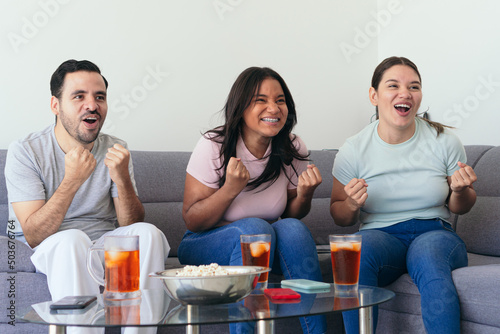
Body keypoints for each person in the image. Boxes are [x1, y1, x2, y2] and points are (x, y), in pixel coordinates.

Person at [5, 60, 170, 333]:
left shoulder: (116, 148)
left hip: (102, 246)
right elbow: (34, 234)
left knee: (147, 232)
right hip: (53, 248)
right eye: (79, 96)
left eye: (99, 97)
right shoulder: (26, 151)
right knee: (73, 240)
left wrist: (123, 179)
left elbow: (129, 223)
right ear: (55, 105)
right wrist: (72, 180)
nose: (92, 105)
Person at [330, 56, 477, 334]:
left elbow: (461, 207)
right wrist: (350, 203)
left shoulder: (444, 141)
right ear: (374, 95)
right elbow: (339, 215)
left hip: (435, 232)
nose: (405, 94)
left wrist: (460, 190)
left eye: (414, 86)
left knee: (428, 255)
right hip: (381, 236)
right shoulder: (354, 149)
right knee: (354, 252)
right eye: (393, 85)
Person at [178, 67, 327, 334]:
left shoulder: (292, 148)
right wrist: (229, 190)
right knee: (255, 230)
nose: (273, 108)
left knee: (292, 229)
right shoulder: (215, 144)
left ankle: (317, 331)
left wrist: (305, 194)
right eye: (261, 100)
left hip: (265, 245)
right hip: (204, 243)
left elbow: (293, 214)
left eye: (280, 100)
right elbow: (193, 219)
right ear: (241, 106)